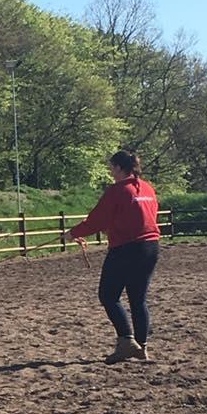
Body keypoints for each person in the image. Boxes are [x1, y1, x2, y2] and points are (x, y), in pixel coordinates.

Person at [69, 150, 160, 364]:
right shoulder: (147, 188)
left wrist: (73, 233)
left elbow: (95, 220)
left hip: (126, 249)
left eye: (111, 167)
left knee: (108, 296)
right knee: (138, 299)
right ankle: (141, 347)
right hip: (150, 247)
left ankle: (126, 341)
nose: (110, 172)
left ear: (119, 167)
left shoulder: (117, 190)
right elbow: (141, 217)